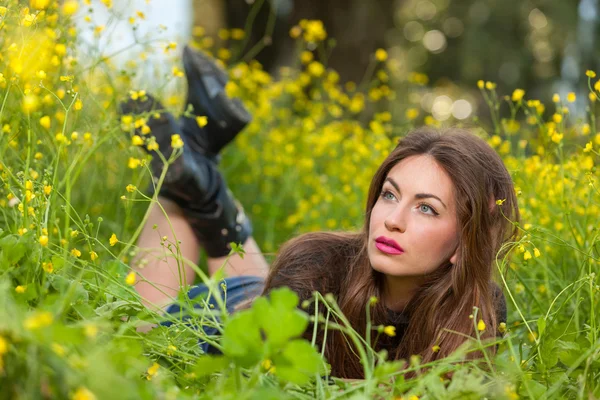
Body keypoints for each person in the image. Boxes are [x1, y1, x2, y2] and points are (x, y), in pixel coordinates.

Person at [121, 46, 517, 379]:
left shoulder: (478, 311)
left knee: (288, 286)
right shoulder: (313, 269)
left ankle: (196, 153)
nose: (393, 219)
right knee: (139, 334)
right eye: (390, 195)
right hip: (227, 320)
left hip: (277, 293)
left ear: (465, 242)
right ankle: (186, 167)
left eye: (427, 208)